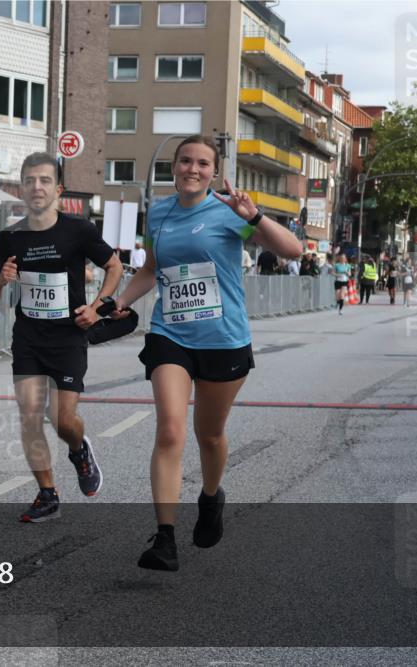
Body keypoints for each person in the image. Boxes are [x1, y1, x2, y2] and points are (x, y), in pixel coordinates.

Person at [111, 135, 301, 571]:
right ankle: (165, 538)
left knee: (210, 435)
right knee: (170, 430)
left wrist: (254, 216)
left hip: (223, 339)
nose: (192, 169)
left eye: (201, 163)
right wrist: (119, 302)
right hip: (170, 335)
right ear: (174, 167)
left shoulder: (230, 211)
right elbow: (151, 269)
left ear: (214, 172)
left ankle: (211, 497)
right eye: (185, 161)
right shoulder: (159, 212)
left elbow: (292, 250)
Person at [0, 151, 124, 523]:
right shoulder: (11, 236)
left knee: (62, 419)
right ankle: (47, 494)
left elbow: (114, 266)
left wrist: (97, 307)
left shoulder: (78, 229)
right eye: (30, 181)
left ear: (58, 189)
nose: (37, 187)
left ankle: (79, 450)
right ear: (21, 188)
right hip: (28, 337)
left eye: (45, 180)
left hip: (68, 337)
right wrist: (1, 281)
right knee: (30, 416)